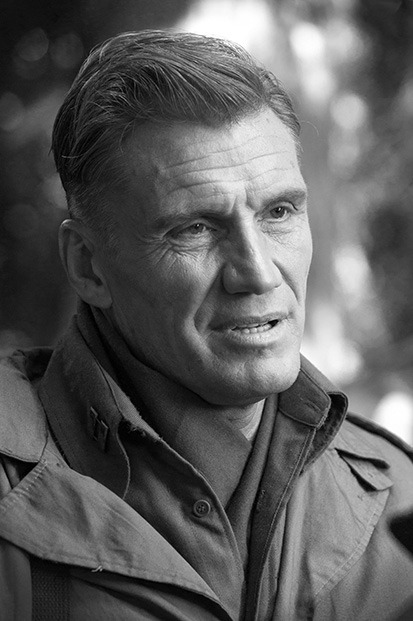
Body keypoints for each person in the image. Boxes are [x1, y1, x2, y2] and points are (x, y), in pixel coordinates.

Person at [0, 30, 412, 621]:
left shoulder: (399, 495)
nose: (258, 273)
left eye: (279, 212)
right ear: (88, 266)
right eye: (194, 228)